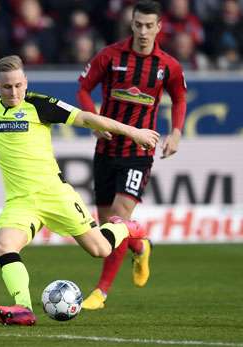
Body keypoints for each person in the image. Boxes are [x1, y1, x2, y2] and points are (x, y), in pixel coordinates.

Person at [0, 55, 159, 326]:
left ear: (26, 83)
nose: (14, 92)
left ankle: (128, 228)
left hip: (55, 195)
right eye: (7, 87)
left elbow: (85, 117)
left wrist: (134, 132)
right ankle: (23, 308)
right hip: (20, 201)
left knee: (101, 250)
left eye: (18, 86)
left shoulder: (39, 105)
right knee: (3, 244)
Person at [76, 0, 187, 310]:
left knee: (118, 218)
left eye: (149, 26)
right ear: (132, 23)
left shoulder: (168, 65)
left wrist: (176, 132)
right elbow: (84, 88)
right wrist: (93, 120)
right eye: (138, 24)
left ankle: (101, 292)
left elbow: (179, 98)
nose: (143, 31)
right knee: (105, 230)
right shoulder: (110, 56)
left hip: (139, 152)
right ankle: (140, 245)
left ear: (159, 27)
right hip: (107, 148)